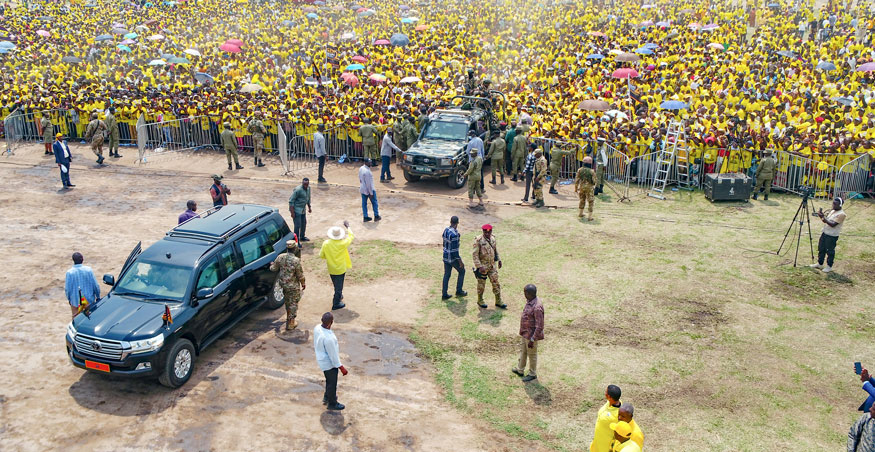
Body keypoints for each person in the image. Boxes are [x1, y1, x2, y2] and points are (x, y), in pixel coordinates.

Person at [314, 312, 348, 411]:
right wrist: (342, 368)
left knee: (329, 381)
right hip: (329, 364)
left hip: (321, 359)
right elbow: (333, 356)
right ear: (331, 322)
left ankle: (327, 397)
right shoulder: (329, 339)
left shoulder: (317, 328)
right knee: (332, 383)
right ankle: (332, 403)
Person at [270, 240, 305, 330]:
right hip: (293, 286)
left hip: (283, 285)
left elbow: (273, 269)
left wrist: (271, 265)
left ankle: (289, 318)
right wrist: (303, 283)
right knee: (293, 303)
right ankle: (291, 323)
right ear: (295, 249)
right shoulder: (296, 260)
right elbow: (300, 275)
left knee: (287, 301)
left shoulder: (280, 257)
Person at [512, 284, 544, 382]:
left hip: (531, 336)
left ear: (529, 294)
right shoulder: (530, 301)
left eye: (525, 292)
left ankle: (532, 373)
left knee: (532, 355)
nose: (524, 294)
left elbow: (539, 326)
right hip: (525, 333)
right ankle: (520, 369)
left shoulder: (537, 307)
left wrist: (532, 339)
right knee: (523, 351)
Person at [319, 221, 354, 310]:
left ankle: (339, 296)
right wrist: (348, 227)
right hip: (340, 268)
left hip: (331, 268)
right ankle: (336, 303)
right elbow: (351, 237)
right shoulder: (342, 243)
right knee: (339, 287)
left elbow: (321, 255)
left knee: (336, 284)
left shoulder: (326, 243)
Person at [810, 197, 846, 273]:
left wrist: (824, 217)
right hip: (825, 232)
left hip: (832, 235)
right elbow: (825, 221)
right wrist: (821, 216)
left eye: (835, 204)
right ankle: (820, 263)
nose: (833, 205)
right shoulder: (832, 211)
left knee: (830, 251)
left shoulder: (842, 214)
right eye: (833, 203)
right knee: (821, 248)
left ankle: (829, 266)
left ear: (840, 205)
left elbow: (833, 224)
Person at [472, 224, 505, 309]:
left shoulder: (493, 239)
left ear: (491, 231)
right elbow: (475, 255)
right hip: (483, 267)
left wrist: (499, 260)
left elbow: (495, 250)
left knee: (496, 283)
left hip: (492, 265)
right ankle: (480, 300)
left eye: (489, 232)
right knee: (481, 284)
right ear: (483, 231)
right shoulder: (478, 240)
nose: (487, 233)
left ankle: (498, 300)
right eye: (485, 232)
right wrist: (479, 266)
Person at [65, 252, 100, 319]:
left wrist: (69, 299)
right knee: (90, 318)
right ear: (82, 259)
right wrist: (98, 296)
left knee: (76, 319)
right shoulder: (88, 270)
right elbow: (95, 285)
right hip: (89, 300)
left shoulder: (69, 273)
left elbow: (67, 289)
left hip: (75, 301)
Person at [590, 385, 622, 452]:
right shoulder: (609, 402)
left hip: (605, 445)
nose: (605, 393)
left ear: (609, 397)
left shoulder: (618, 415)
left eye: (606, 392)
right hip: (597, 440)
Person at [441, 216, 467, 300]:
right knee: (462, 271)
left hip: (445, 256)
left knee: (447, 275)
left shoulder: (446, 230)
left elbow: (444, 243)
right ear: (457, 223)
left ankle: (444, 294)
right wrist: (460, 262)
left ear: (450, 222)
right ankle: (459, 291)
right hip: (452, 258)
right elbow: (455, 251)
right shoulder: (454, 234)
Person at [576, 156, 596, 221]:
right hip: (589, 187)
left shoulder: (580, 170)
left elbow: (577, 180)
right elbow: (594, 180)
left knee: (582, 200)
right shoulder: (591, 171)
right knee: (590, 201)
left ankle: (580, 213)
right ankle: (590, 217)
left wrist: (576, 188)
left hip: (581, 187)